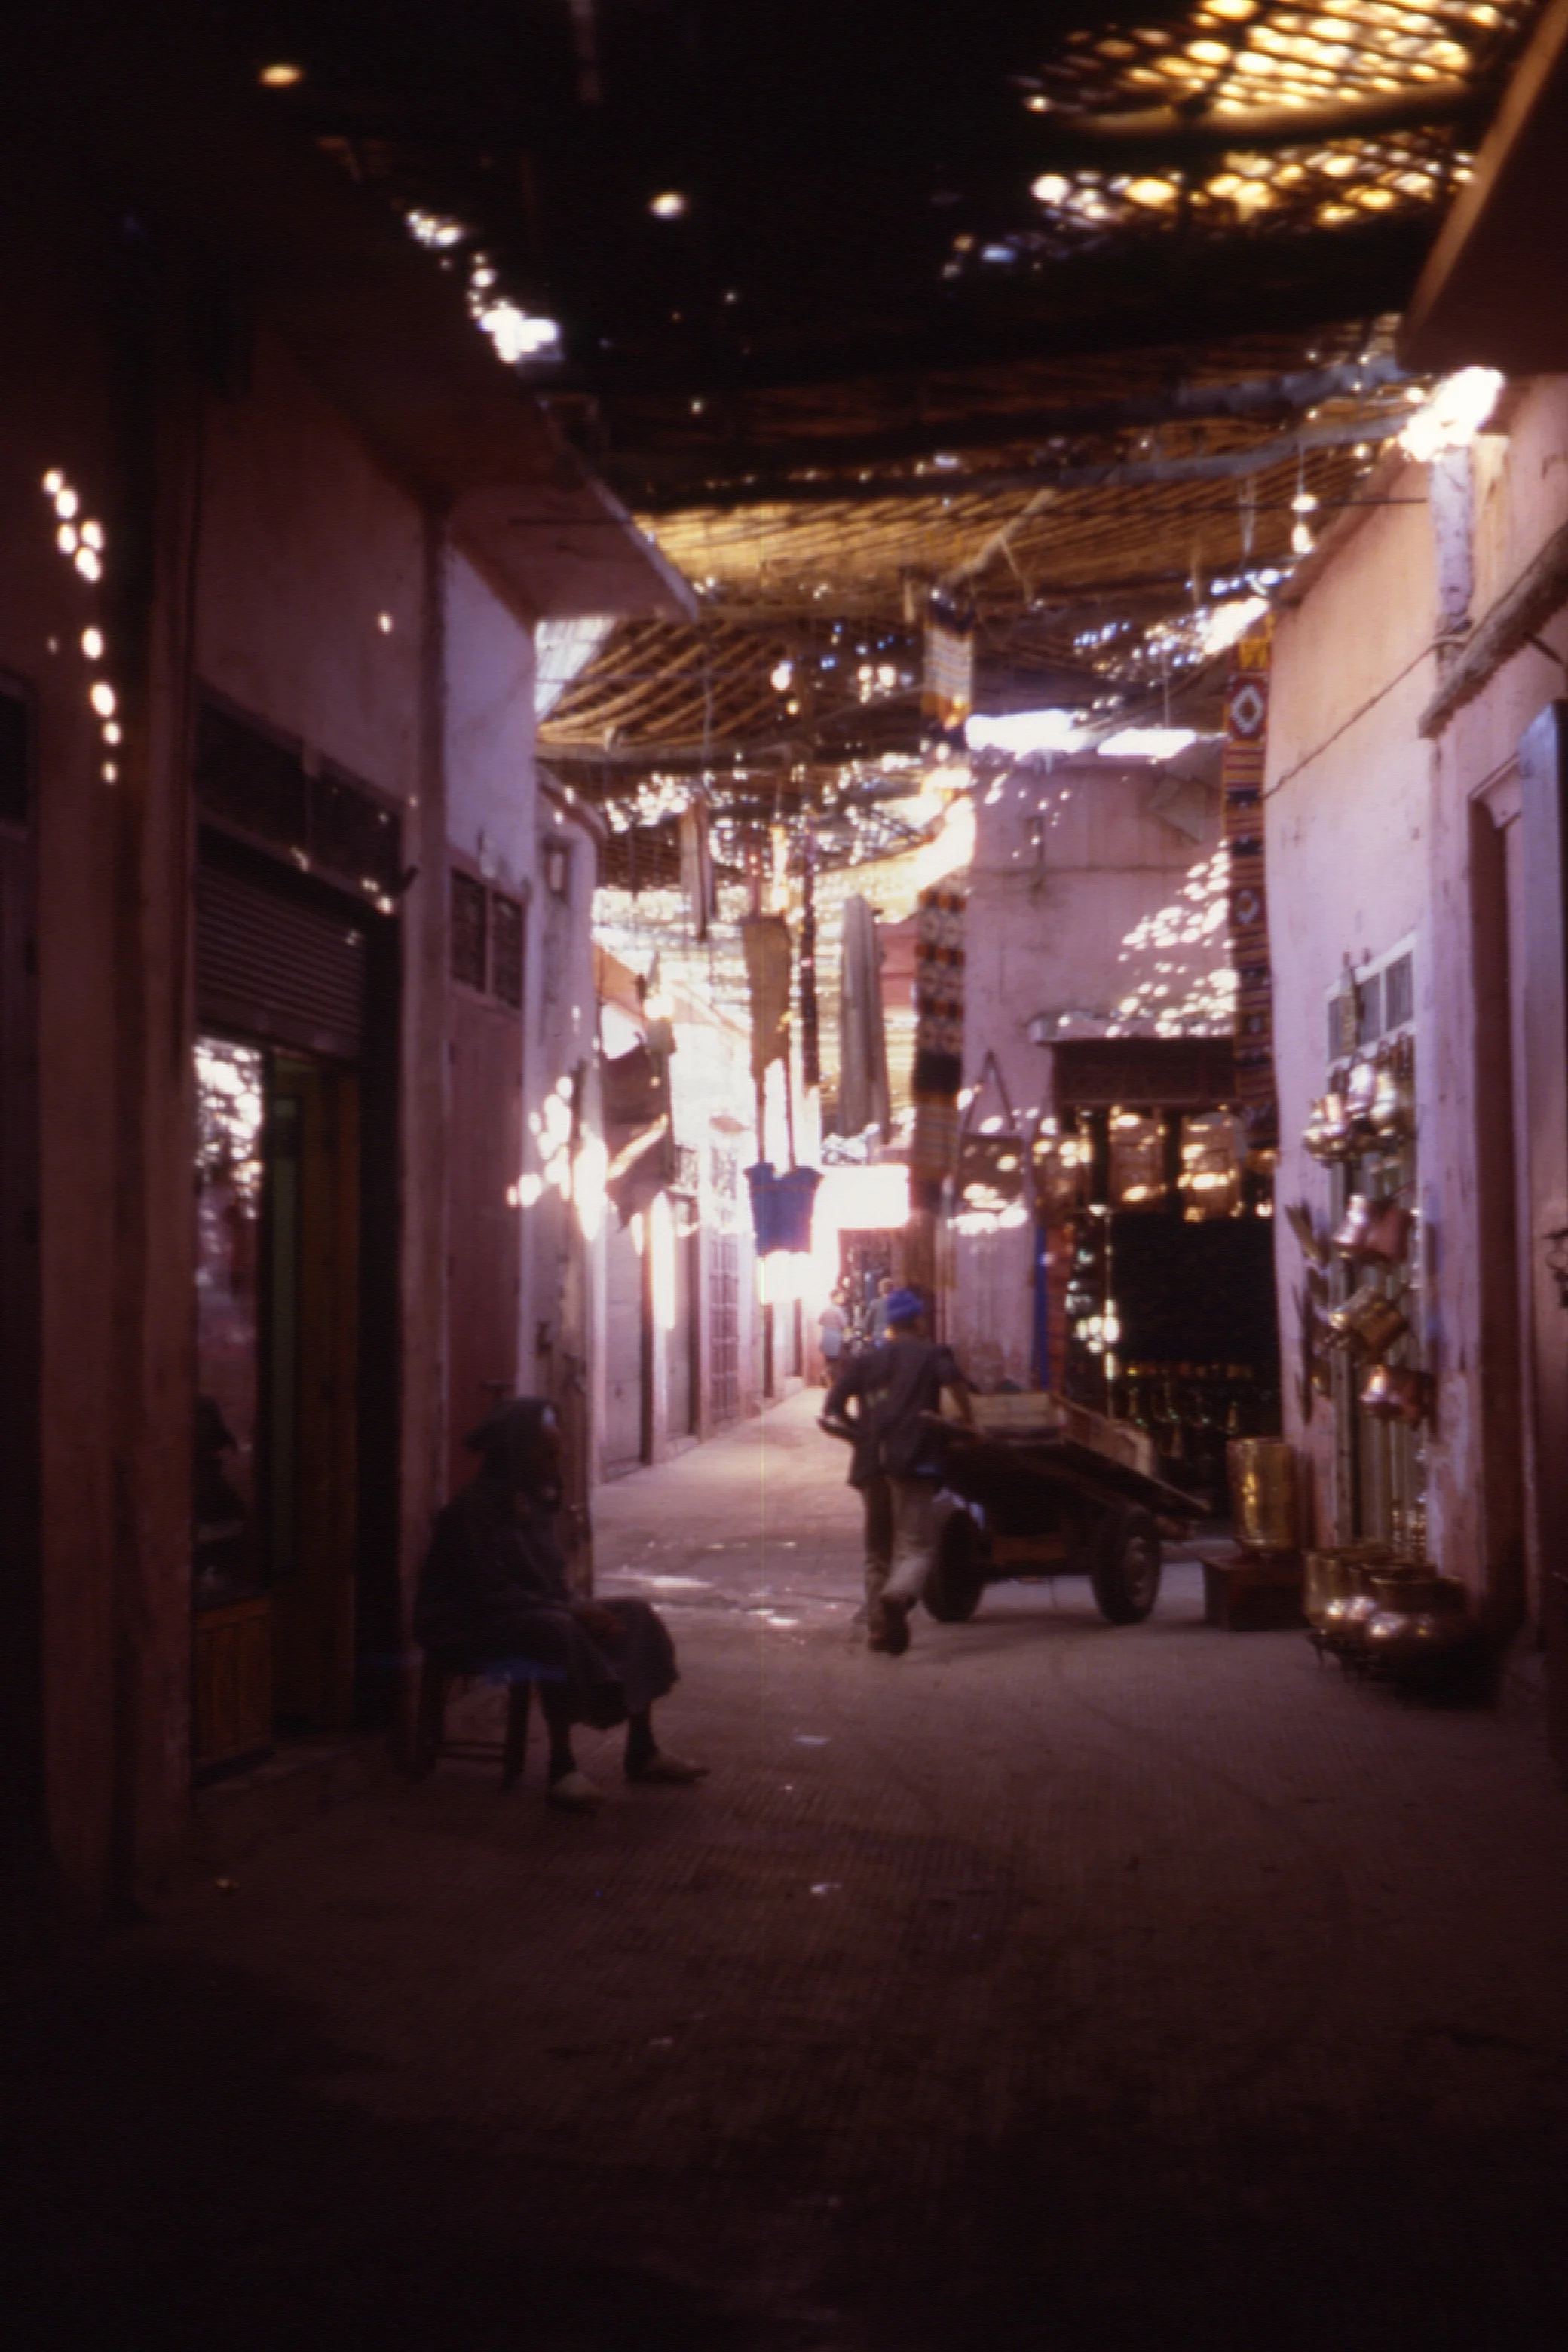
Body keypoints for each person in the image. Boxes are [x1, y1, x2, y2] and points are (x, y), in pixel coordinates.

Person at [415, 1398, 707, 1810]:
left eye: (558, 1451)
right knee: (554, 1630)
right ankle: (562, 1767)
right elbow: (488, 1593)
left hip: (532, 1610)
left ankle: (643, 1750)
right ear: (517, 1454)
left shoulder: (533, 1506)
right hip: (469, 1623)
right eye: (546, 1453)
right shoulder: (471, 1511)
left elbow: (550, 1583)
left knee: (635, 1615)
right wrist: (571, 1613)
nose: (556, 1461)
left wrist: (584, 1609)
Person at [824, 1288, 973, 1656]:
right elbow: (955, 1383)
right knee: (916, 1546)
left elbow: (834, 1406)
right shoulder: (932, 1354)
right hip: (914, 1460)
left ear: (888, 1323)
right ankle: (897, 1596)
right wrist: (969, 1419)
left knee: (877, 1550)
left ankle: (879, 1631)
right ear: (918, 1321)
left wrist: (859, 1432)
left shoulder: (865, 1360)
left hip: (871, 1462)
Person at [817, 1290, 847, 1386]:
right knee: (837, 1363)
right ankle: (835, 1383)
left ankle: (827, 1378)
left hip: (826, 1337)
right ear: (834, 1298)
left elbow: (820, 1321)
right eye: (840, 1297)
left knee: (828, 1361)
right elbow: (844, 1324)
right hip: (836, 1338)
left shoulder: (826, 1310)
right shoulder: (838, 1310)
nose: (843, 1299)